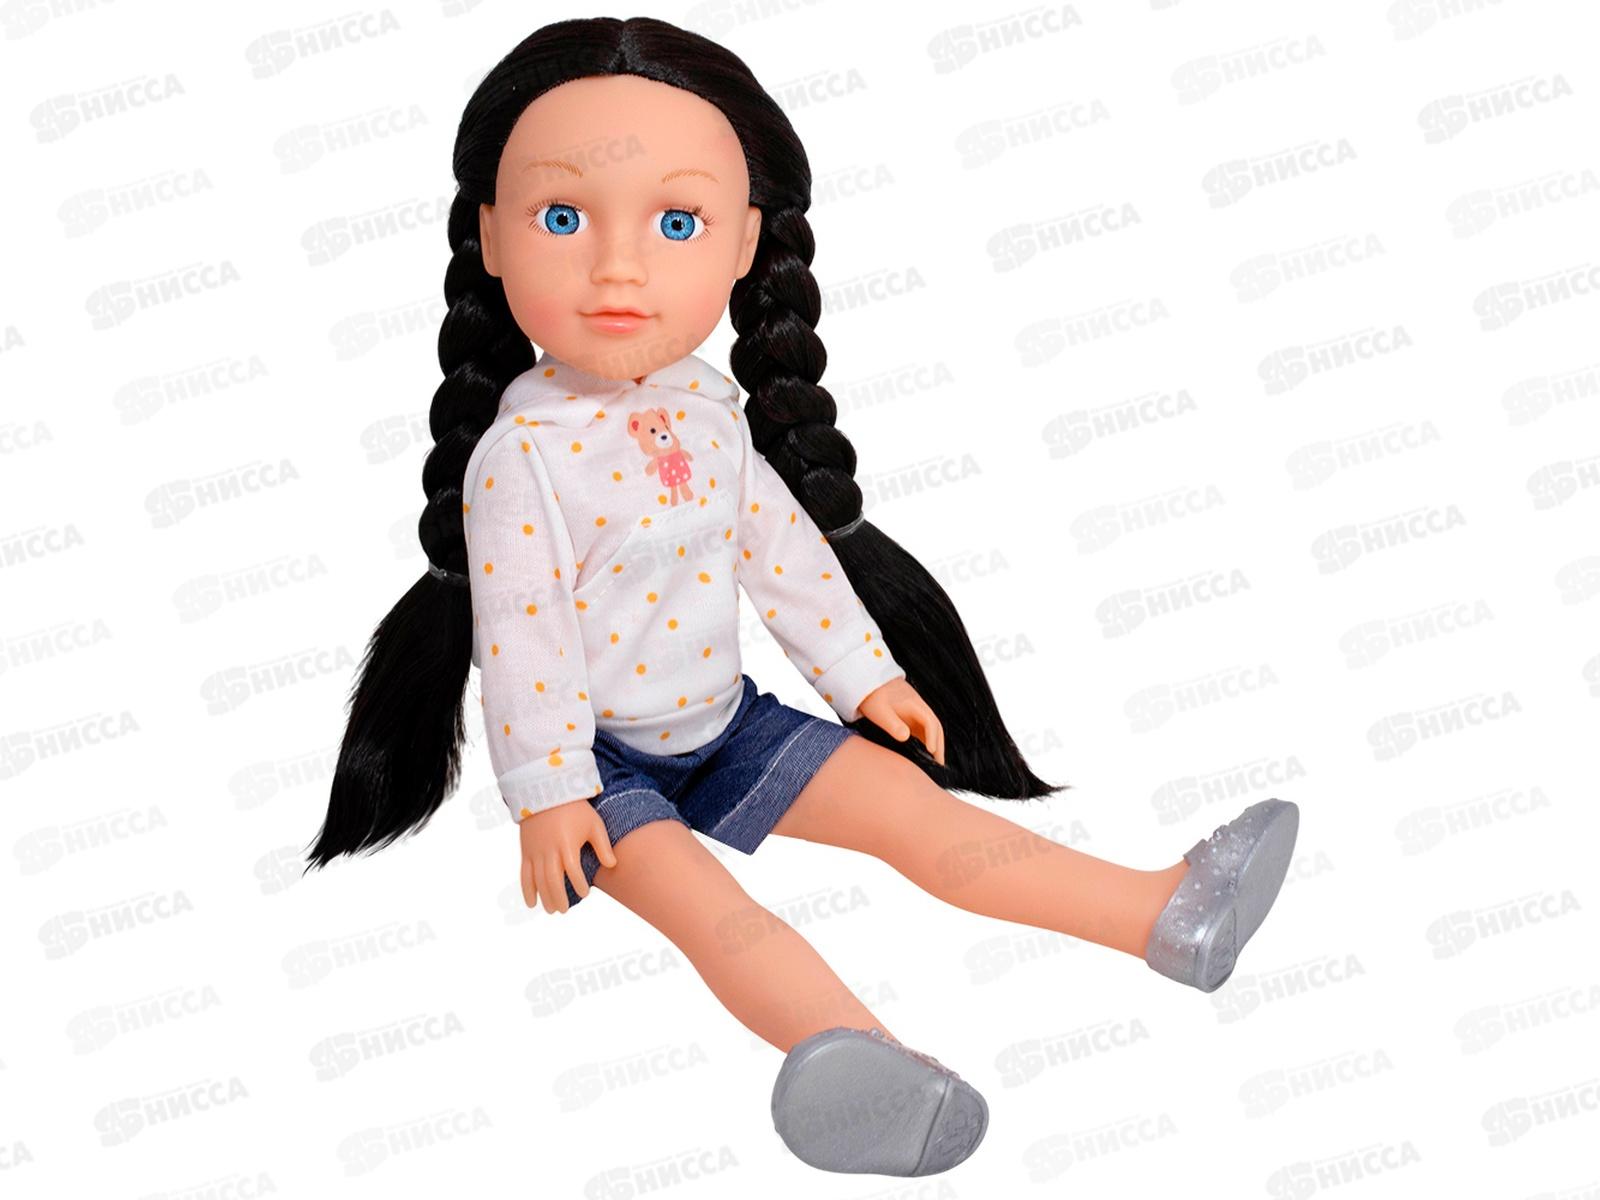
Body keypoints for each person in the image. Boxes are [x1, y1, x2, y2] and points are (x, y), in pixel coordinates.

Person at [303, 16, 1300, 1178]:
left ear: (744, 244)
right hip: (599, 767)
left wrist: (864, 676)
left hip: (730, 723)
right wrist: (550, 792)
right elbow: (522, 639)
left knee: (923, 819)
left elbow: (785, 558)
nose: (617, 267)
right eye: (562, 218)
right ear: (488, 234)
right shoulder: (519, 457)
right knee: (718, 915)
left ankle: (1162, 917)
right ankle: (866, 1075)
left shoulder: (709, 416)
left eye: (676, 223)